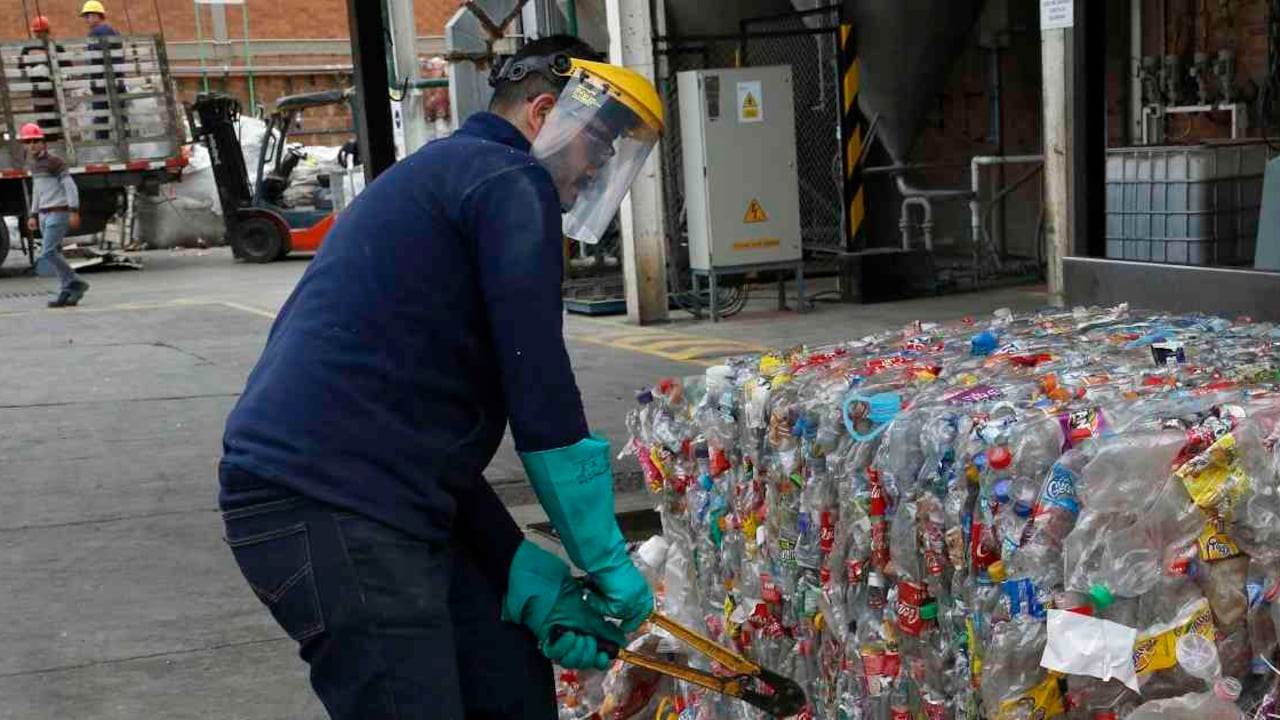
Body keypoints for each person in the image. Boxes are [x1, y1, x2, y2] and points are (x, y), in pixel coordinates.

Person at [217, 35, 665, 720]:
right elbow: (539, 389)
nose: (592, 176)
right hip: (327, 502)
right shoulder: (508, 181)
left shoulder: (448, 174)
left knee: (507, 674)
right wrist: (604, 557)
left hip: (368, 490)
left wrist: (520, 567)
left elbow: (429, 438)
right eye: (596, 152)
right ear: (545, 113)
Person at [20, 123, 89, 308]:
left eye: (36, 141)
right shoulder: (33, 164)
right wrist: (33, 214)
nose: (32, 145)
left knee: (48, 252)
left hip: (58, 213)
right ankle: (70, 291)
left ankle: (74, 282)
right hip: (43, 214)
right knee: (55, 253)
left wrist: (74, 210)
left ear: (43, 142)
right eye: (28, 141)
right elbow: (37, 191)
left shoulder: (55, 162)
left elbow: (70, 186)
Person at [19, 16, 64, 142]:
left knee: (56, 120)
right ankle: (46, 143)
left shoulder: (55, 46)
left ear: (46, 31)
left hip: (54, 91)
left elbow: (66, 67)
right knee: (42, 121)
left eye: (40, 31)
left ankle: (55, 141)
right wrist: (31, 69)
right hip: (38, 91)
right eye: (36, 32)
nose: (38, 34)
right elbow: (21, 66)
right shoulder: (28, 48)